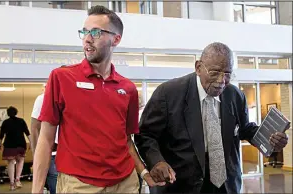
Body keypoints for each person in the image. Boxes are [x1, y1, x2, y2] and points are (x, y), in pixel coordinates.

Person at [32, 5, 163, 193]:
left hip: (125, 184)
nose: (87, 38)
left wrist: (143, 173)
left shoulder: (128, 89)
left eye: (95, 32)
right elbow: (45, 138)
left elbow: (126, 141)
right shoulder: (61, 78)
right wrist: (36, 190)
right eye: (84, 32)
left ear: (116, 39)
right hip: (79, 185)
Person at [134, 42, 289, 194]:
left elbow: (244, 129)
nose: (221, 81)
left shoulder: (235, 95)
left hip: (226, 185)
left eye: (227, 74)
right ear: (198, 67)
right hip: (181, 184)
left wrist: (269, 139)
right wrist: (157, 161)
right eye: (214, 73)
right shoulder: (168, 94)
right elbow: (145, 135)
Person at [31, 87, 59, 194]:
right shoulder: (43, 99)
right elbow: (34, 129)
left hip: (71, 155)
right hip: (52, 154)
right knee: (55, 188)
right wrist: (36, 158)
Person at [0, 106, 31, 190]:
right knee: (20, 161)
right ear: (16, 112)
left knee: (11, 163)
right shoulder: (21, 121)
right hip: (20, 144)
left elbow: (1, 135)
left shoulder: (5, 122)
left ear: (8, 113)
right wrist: (31, 142)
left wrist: (0, 144)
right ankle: (17, 179)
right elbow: (27, 132)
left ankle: (12, 184)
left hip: (9, 145)